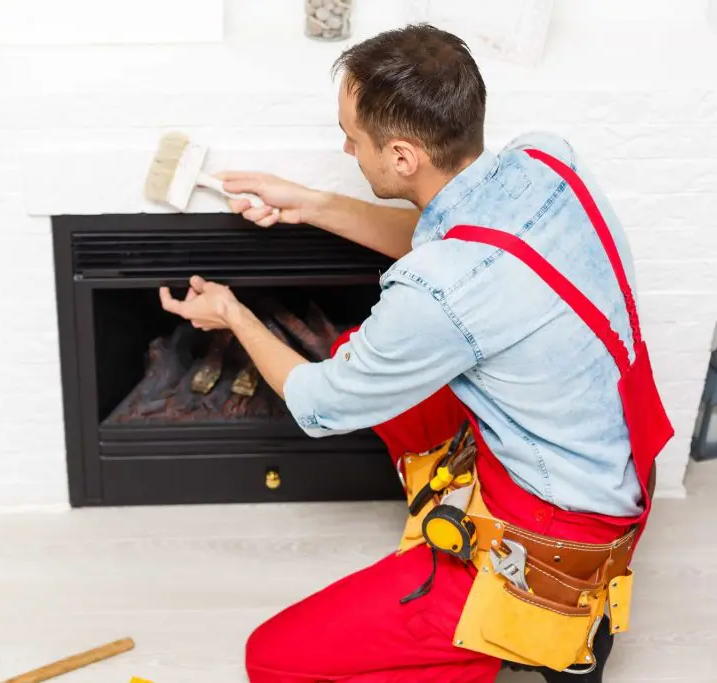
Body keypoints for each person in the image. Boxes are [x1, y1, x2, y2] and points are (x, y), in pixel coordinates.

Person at [158, 23, 673, 683]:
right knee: (357, 348)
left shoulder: (437, 291)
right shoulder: (546, 160)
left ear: (401, 158)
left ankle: (523, 630)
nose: (345, 146)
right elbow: (456, 245)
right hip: (616, 465)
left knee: (272, 658)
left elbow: (318, 405)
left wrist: (233, 313)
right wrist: (311, 204)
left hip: (555, 538)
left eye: (353, 137)